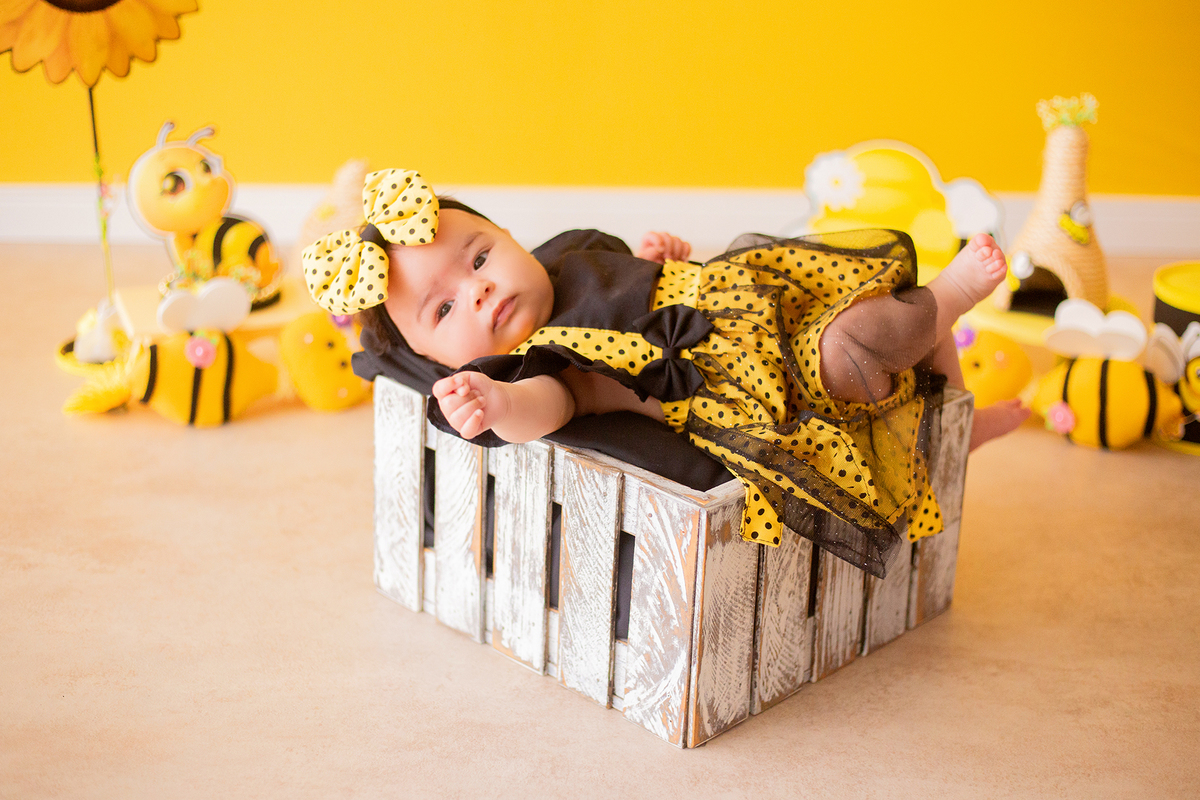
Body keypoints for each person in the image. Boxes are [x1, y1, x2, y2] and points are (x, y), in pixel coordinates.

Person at [303, 169, 1027, 576]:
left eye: (481, 255)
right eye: (445, 308)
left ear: (512, 236)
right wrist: (494, 404)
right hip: (765, 391)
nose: (481, 288)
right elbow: (546, 409)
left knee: (866, 300)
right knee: (857, 345)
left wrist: (664, 262)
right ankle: (953, 300)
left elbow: (649, 279)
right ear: (441, 362)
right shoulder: (551, 361)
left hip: (757, 300)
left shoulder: (576, 255)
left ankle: (959, 410)